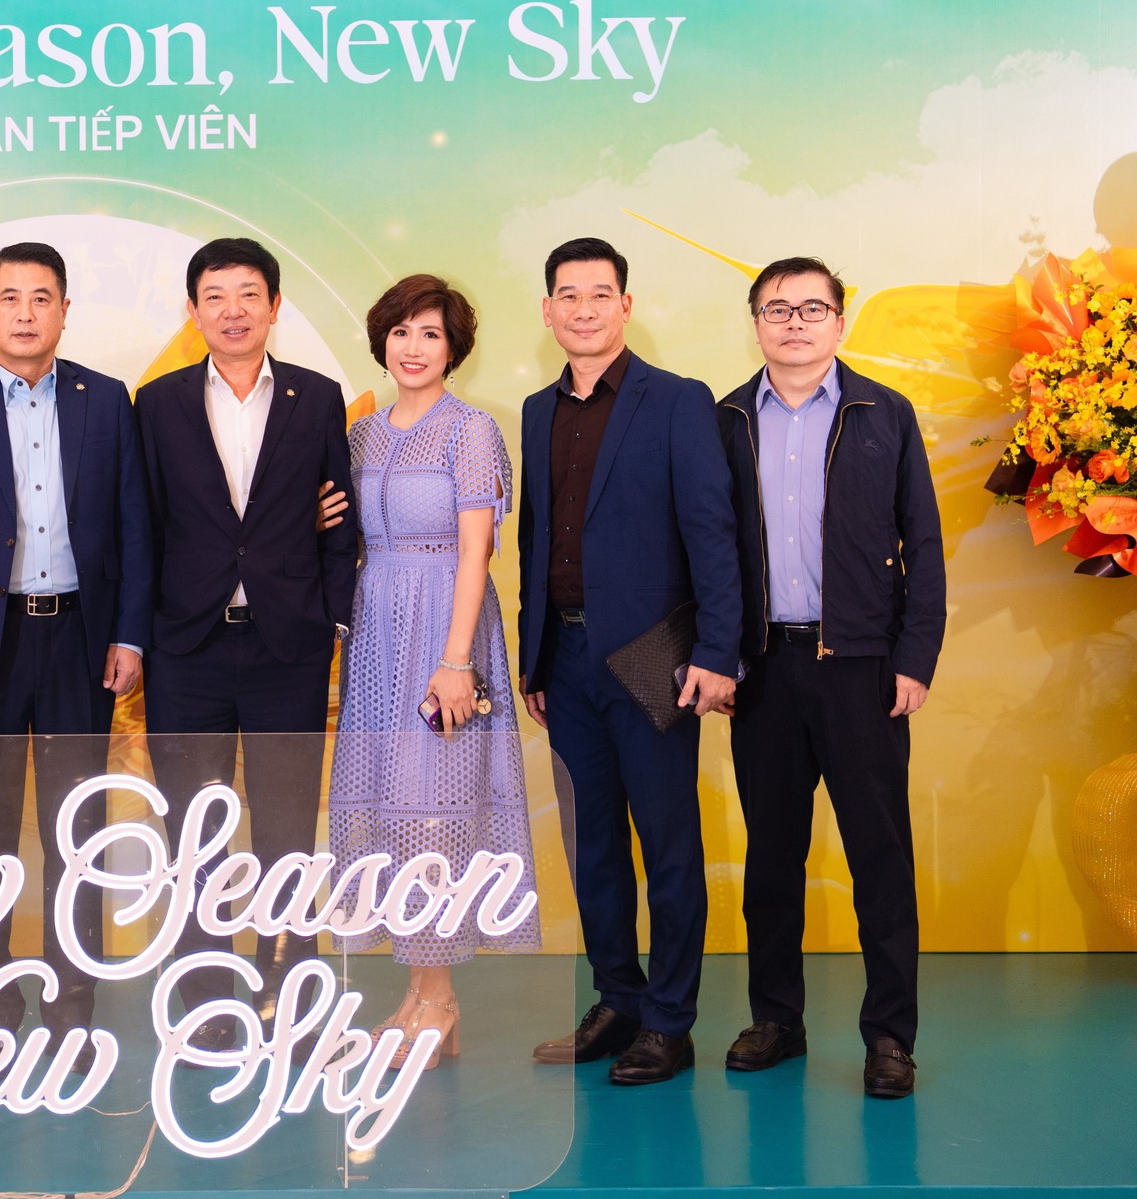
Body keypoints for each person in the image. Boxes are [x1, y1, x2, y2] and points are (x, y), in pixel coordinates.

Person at [0, 241, 153, 1064]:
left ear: (64, 311)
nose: (24, 312)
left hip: (80, 639)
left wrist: (128, 632)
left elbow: (134, 528)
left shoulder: (105, 399)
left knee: (76, 831)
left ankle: (73, 1001)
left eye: (41, 297)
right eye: (8, 297)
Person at [716, 257, 944, 1099]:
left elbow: (924, 542)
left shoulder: (885, 412)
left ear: (840, 322)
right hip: (763, 667)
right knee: (772, 856)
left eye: (813, 308)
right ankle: (777, 1018)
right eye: (777, 308)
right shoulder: (725, 419)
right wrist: (719, 654)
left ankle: (889, 1035)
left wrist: (914, 657)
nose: (795, 322)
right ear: (756, 323)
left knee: (879, 856)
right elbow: (706, 549)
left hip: (861, 667)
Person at [516, 236, 741, 1086]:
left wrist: (717, 651)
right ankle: (618, 996)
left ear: (626, 305)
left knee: (668, 841)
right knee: (593, 844)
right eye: (568, 295)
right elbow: (536, 537)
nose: (584, 309)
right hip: (564, 658)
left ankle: (670, 1021)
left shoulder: (678, 400)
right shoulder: (537, 409)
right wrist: (534, 657)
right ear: (547, 310)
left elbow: (711, 531)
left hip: (655, 656)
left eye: (600, 293)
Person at [134, 236, 359, 1043]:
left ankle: (290, 990)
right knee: (194, 831)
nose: (233, 311)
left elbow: (339, 515)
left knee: (287, 828)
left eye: (249, 294)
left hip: (287, 646)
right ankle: (206, 1000)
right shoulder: (156, 403)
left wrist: (334, 617)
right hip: (185, 648)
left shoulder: (316, 396)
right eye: (216, 296)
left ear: (274, 305)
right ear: (193, 309)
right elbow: (141, 524)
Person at [329, 275, 538, 1072]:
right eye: (401, 331)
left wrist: (455, 662)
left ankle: (441, 999)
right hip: (376, 631)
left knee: (434, 815)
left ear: (454, 349)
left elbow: (478, 550)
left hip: (444, 625)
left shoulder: (471, 430)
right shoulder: (362, 435)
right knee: (390, 812)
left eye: (430, 334)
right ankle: (417, 994)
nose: (413, 348)